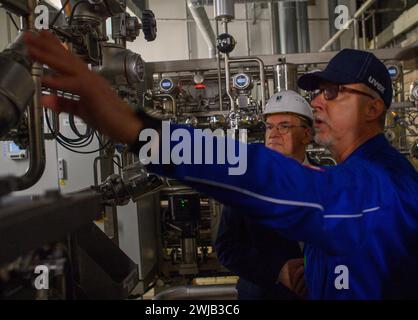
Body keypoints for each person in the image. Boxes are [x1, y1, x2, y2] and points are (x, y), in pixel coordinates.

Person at [23, 31, 418, 299]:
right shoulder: (353, 176)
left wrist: (137, 128)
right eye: (316, 92)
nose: (318, 101)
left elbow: (259, 172)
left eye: (333, 92)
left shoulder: (378, 186)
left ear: (374, 107)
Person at [215, 91, 314, 300]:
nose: (273, 134)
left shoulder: (328, 180)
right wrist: (276, 270)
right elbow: (226, 248)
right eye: (269, 127)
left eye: (284, 126)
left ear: (307, 134)